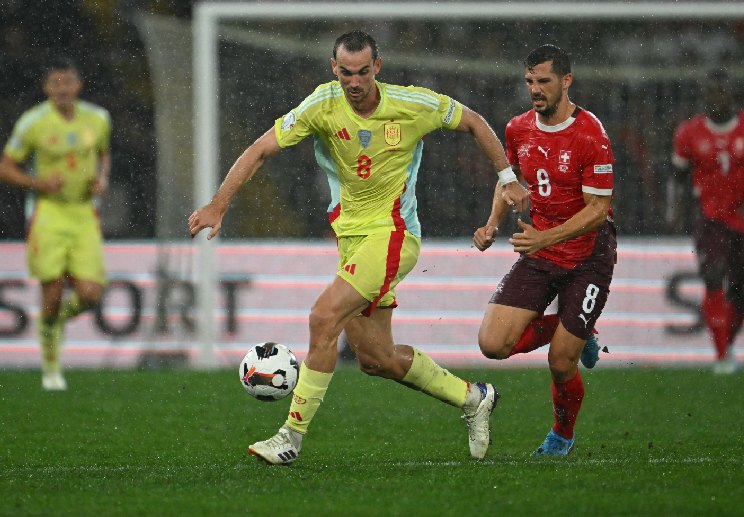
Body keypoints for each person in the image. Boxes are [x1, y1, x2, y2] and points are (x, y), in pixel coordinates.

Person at [189, 30, 528, 465]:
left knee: (322, 317)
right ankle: (473, 397)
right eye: (346, 72)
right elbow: (260, 149)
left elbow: (474, 122)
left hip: (393, 235)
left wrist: (506, 177)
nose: (354, 82)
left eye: (363, 72)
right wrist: (219, 204)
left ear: (377, 68)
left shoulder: (411, 104)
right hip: (352, 240)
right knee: (376, 358)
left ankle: (290, 438)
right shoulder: (321, 105)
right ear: (334, 69)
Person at [473, 45, 616, 456]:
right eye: (530, 82)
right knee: (492, 344)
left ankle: (561, 435)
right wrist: (492, 224)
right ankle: (574, 330)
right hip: (543, 248)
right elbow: (509, 180)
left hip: (589, 254)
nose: (535, 89)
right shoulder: (518, 128)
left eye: (544, 81)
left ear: (566, 81)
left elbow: (597, 211)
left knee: (560, 362)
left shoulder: (592, 135)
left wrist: (543, 239)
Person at [0, 57, 111, 390]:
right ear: (46, 88)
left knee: (91, 294)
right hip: (48, 212)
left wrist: (102, 180)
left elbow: (104, 153)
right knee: (53, 290)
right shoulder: (32, 123)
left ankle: (52, 322)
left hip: (83, 212)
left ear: (78, 85)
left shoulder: (99, 119)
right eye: (55, 83)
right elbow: (6, 167)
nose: (62, 89)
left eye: (67, 82)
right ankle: (51, 370)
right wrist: (37, 183)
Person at [671, 68, 744, 375]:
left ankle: (726, 343)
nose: (716, 98)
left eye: (722, 92)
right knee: (714, 274)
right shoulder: (689, 133)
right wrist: (674, 210)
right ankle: (722, 356)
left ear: (732, 95)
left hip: (743, 221)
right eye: (711, 93)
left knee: (742, 290)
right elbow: (677, 177)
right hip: (709, 217)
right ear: (704, 96)